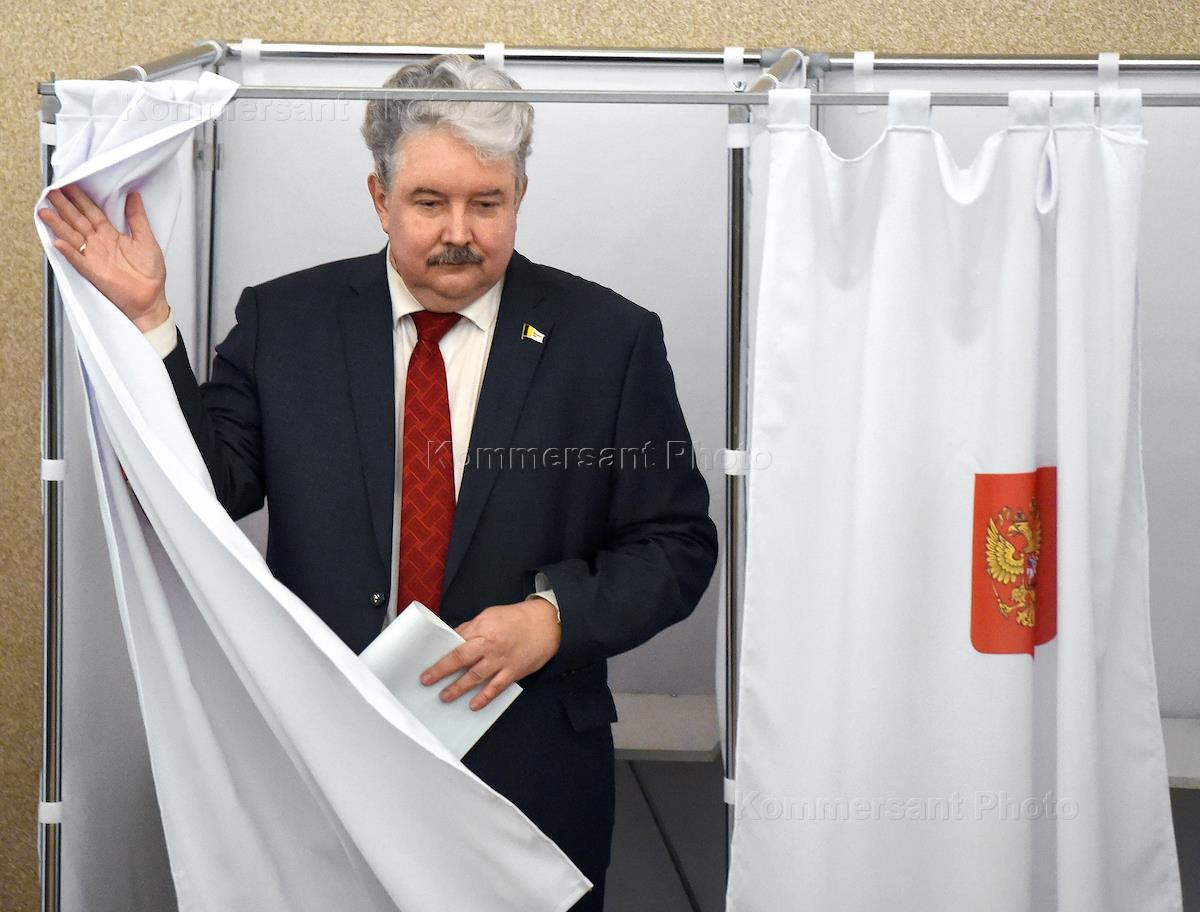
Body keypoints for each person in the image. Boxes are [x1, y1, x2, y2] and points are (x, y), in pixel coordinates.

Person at [38, 54, 718, 910]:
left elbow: (677, 544)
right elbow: (208, 486)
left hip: (528, 769)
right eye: (429, 202)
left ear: (520, 194)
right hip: (323, 761)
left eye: (487, 203)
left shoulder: (608, 340)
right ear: (379, 198)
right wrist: (149, 322)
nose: (459, 232)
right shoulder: (285, 322)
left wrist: (553, 618)